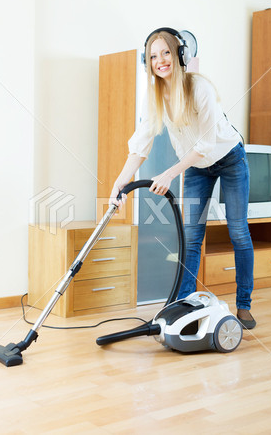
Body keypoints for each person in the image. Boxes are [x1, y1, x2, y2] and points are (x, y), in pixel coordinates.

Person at [109, 28, 256, 329]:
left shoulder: (199, 88)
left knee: (238, 231)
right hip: (198, 167)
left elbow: (206, 144)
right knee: (191, 237)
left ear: (179, 55)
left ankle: (243, 305)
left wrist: (170, 173)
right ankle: (184, 307)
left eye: (165, 52)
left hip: (229, 158)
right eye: (153, 56)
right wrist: (120, 181)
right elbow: (142, 142)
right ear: (147, 62)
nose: (160, 60)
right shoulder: (156, 97)